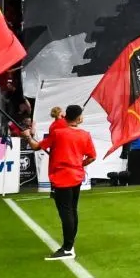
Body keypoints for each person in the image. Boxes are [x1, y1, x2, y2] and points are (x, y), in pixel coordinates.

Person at [32, 105, 96, 258]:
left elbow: (36, 147)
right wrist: (79, 164)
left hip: (61, 177)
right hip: (76, 176)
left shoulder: (57, 133)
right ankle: (70, 245)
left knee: (66, 212)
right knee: (72, 210)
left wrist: (28, 136)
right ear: (78, 118)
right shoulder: (85, 135)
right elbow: (92, 157)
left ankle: (68, 248)